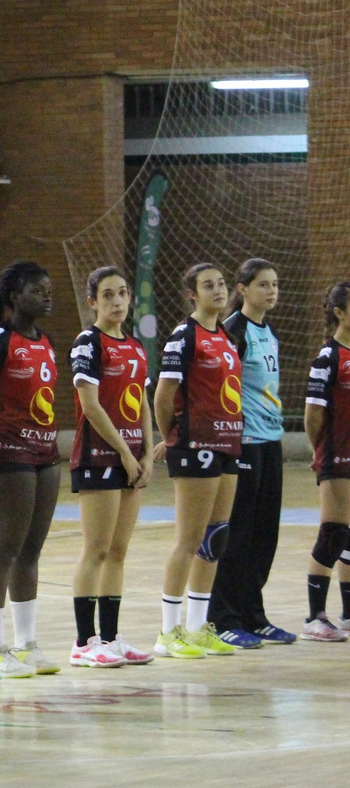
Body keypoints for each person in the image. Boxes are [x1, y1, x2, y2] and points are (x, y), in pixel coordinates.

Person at [152, 263, 243, 660]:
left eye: (222, 284)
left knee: (214, 537)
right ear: (192, 293)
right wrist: (173, 437)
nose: (219, 291)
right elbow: (163, 394)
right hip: (194, 444)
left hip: (227, 443)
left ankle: (197, 626)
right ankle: (168, 632)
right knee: (188, 539)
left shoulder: (225, 335)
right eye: (209, 286)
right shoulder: (183, 336)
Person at [0, 261, 62, 675]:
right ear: (13, 297)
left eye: (49, 289)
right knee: (4, 548)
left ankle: (27, 643)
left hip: (46, 453)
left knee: (31, 550)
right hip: (11, 453)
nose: (47, 296)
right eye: (38, 290)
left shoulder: (44, 341)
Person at [68, 266, 155, 666]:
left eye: (122, 293)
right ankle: (84, 643)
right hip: (99, 457)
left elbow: (142, 404)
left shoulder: (136, 347)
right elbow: (90, 405)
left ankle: (111, 637)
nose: (118, 301)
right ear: (93, 302)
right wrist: (123, 451)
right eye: (108, 295)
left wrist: (148, 454)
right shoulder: (89, 343)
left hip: (132, 458)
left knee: (118, 551)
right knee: (97, 549)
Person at [209, 260, 296, 645]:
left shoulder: (267, 330)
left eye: (275, 284)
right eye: (263, 285)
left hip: (269, 443)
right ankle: (223, 618)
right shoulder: (232, 332)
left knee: (264, 534)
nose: (272, 291)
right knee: (238, 533)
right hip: (242, 443)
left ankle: (253, 614)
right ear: (243, 289)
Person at [302, 280, 350, 642]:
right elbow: (313, 413)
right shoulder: (328, 357)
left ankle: (348, 614)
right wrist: (320, 450)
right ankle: (314, 617)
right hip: (336, 455)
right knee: (334, 532)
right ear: (339, 312)